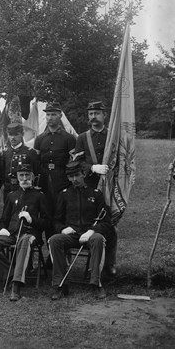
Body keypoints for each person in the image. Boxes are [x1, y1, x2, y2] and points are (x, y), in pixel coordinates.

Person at [48, 161, 114, 300]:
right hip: (71, 235)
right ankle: (61, 285)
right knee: (54, 240)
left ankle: (96, 283)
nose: (74, 180)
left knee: (98, 239)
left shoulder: (96, 194)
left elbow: (106, 222)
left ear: (83, 174)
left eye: (77, 175)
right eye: (71, 177)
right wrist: (63, 228)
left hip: (89, 235)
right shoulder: (64, 195)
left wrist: (91, 231)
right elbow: (56, 221)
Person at [0, 162, 49, 301]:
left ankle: (16, 285)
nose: (24, 178)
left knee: (24, 241)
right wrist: (2, 229)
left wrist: (32, 219)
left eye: (27, 175)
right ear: (17, 177)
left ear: (32, 177)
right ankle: (11, 273)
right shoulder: (12, 195)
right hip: (12, 234)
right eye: (21, 175)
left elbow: (47, 222)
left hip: (31, 234)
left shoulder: (39, 196)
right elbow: (4, 219)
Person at [72, 101, 117, 275]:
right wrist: (91, 168)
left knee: (111, 225)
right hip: (90, 186)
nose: (93, 117)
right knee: (91, 222)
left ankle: (109, 263)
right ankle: (93, 265)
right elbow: (76, 162)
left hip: (110, 186)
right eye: (90, 114)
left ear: (104, 115)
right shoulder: (83, 138)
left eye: (97, 113)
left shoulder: (112, 136)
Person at [33, 102, 77, 257]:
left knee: (61, 215)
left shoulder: (68, 138)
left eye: (54, 114)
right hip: (44, 182)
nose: (50, 118)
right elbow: (36, 162)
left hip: (61, 180)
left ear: (60, 115)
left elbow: (73, 162)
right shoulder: (40, 138)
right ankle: (51, 254)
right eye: (48, 115)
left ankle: (63, 252)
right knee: (46, 215)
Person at [2, 122, 40, 205]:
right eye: (10, 135)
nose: (12, 138)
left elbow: (36, 172)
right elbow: (2, 172)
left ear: (22, 134)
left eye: (16, 134)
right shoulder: (6, 153)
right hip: (9, 189)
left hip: (24, 189)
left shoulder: (30, 152)